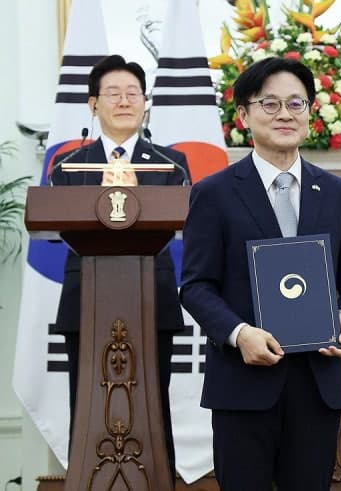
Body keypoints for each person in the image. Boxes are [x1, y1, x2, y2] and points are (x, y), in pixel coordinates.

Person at [180, 57, 341, 490]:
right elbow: (196, 286)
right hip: (243, 384)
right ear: (243, 115)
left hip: (317, 381)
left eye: (295, 103)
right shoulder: (213, 194)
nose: (284, 114)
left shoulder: (338, 193)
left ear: (310, 113)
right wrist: (239, 334)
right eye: (269, 104)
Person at [50, 54, 190, 479]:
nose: (125, 101)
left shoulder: (170, 165)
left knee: (153, 403)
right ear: (93, 104)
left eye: (133, 93)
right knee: (86, 404)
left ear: (145, 102)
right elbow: (55, 226)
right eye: (113, 93)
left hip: (153, 304)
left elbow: (182, 222)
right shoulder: (69, 167)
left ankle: (158, 482)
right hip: (86, 305)